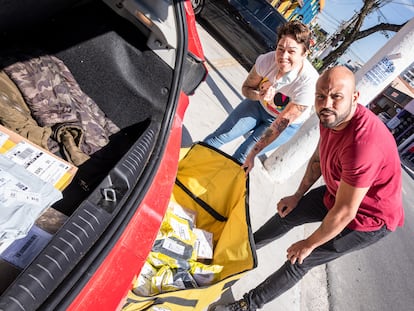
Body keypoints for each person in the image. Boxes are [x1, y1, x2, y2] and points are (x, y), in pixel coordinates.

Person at [209, 66, 404, 311]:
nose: (327, 103)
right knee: (287, 214)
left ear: (355, 97)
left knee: (300, 261)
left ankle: (246, 305)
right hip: (338, 192)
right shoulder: (329, 117)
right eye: (321, 96)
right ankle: (238, 251)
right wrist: (297, 195)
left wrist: (309, 243)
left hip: (367, 219)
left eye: (336, 96)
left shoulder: (363, 145)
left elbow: (345, 213)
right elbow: (318, 159)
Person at [203, 20, 319, 165]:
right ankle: (186, 167)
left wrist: (255, 148)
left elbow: (280, 124)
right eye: (280, 49)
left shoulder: (309, 83)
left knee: (245, 154)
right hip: (258, 106)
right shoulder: (267, 60)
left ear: (304, 54)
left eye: (292, 51)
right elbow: (246, 89)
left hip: (283, 124)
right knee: (222, 135)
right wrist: (259, 95)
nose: (283, 56)